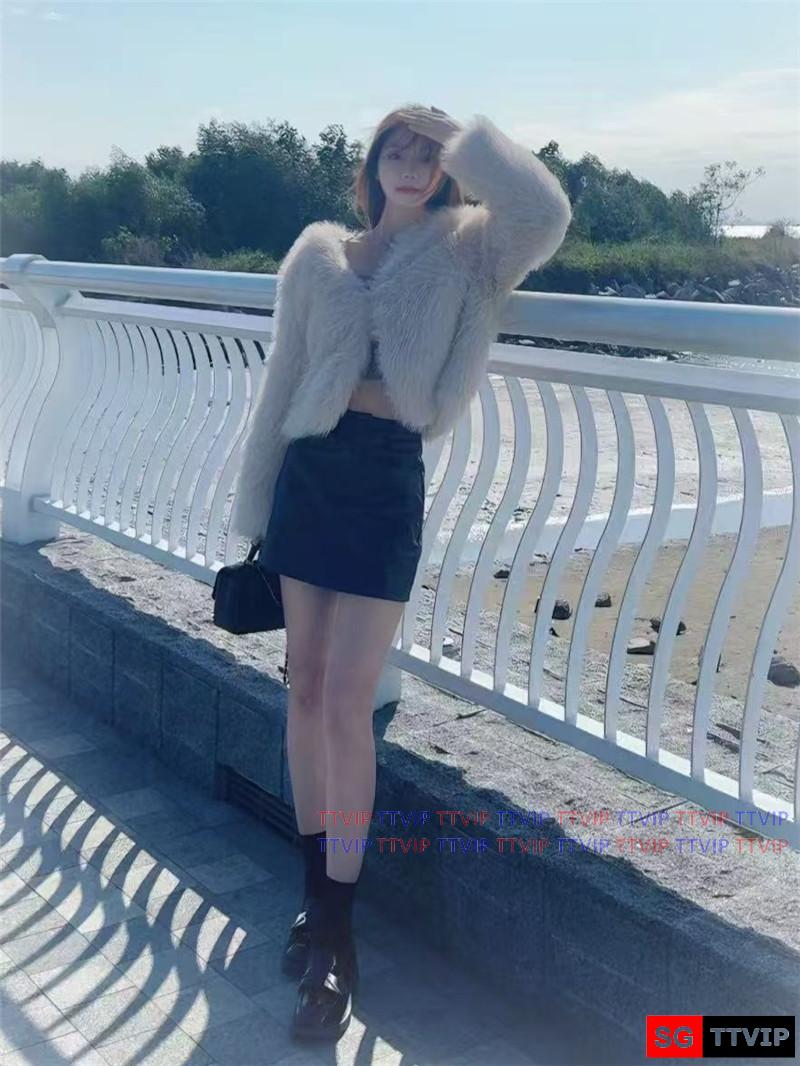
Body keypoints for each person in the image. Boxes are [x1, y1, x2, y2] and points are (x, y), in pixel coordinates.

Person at [228, 103, 572, 1042]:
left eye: (428, 154)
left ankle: (337, 931)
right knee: (304, 689)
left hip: (385, 477)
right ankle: (316, 902)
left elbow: (543, 213)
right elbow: (282, 380)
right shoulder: (318, 257)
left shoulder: (471, 249)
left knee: (348, 701)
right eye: (398, 150)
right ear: (372, 164)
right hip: (308, 475)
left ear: (448, 165)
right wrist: (254, 507)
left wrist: (462, 137)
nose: (412, 166)